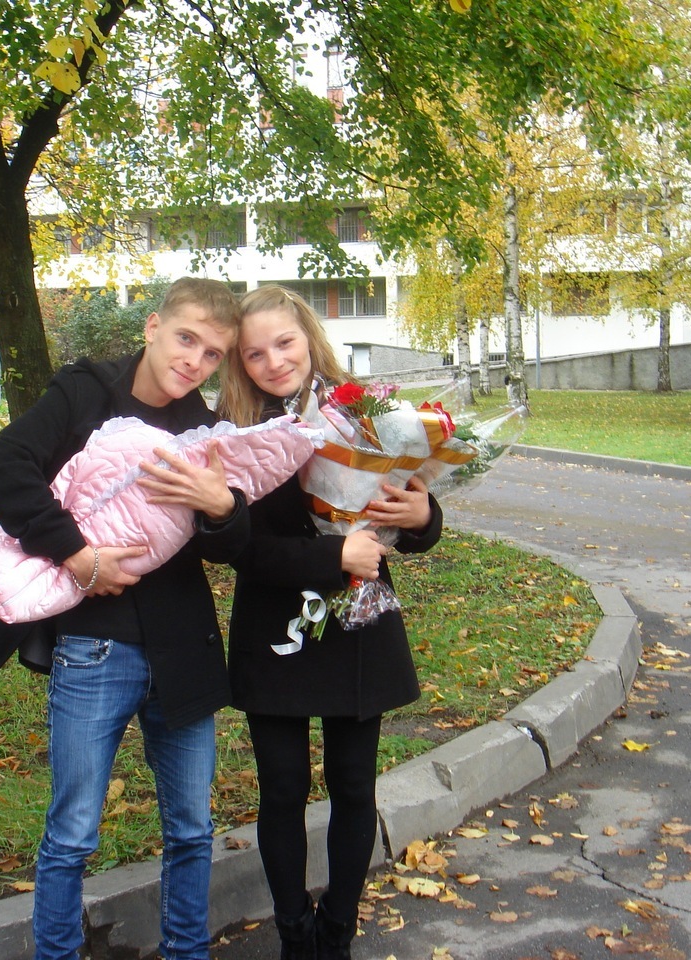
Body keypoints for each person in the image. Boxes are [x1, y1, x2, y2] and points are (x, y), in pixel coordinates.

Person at [0, 277, 248, 960]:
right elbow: (2, 466)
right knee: (72, 835)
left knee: (192, 829)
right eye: (186, 339)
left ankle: (188, 952)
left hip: (184, 647)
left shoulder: (201, 428)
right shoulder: (86, 392)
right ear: (152, 327)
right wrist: (77, 556)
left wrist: (222, 508)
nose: (194, 361)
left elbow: (228, 549)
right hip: (96, 645)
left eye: (213, 354)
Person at [216, 285, 443, 960]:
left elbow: (408, 507)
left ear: (309, 337)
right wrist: (330, 555)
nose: (274, 361)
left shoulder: (364, 410)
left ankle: (337, 930)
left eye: (284, 343)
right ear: (239, 363)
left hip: (355, 620)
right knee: (283, 787)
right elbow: (236, 548)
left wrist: (422, 516)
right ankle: (294, 932)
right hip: (275, 629)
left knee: (352, 783)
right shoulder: (231, 430)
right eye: (254, 353)